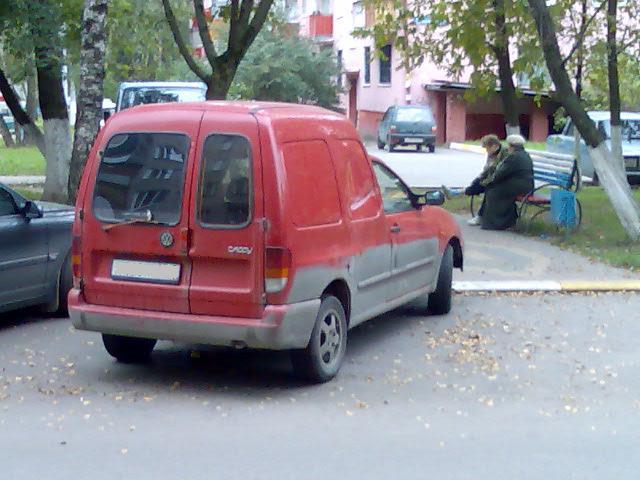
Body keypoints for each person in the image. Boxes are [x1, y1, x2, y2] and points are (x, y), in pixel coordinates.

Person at [480, 134, 534, 230]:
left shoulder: (514, 157)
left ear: (511, 146)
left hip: (520, 187)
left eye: (509, 145)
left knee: (494, 191)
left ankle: (497, 223)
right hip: (525, 186)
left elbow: (501, 173)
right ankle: (507, 221)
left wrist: (489, 181)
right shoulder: (523, 154)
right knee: (494, 188)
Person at [464, 134, 508, 226]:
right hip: (492, 180)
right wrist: (479, 178)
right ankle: (461, 192)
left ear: (495, 146)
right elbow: (486, 169)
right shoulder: (492, 154)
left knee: (487, 188)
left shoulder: (504, 154)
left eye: (487, 148)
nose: (487, 151)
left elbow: (498, 173)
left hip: (500, 182)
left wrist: (484, 182)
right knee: (476, 184)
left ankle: (480, 216)